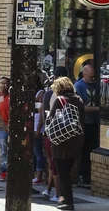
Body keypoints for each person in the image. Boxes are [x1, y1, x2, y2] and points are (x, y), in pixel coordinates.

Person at [49, 77, 85, 210]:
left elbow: (51, 119)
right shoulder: (79, 100)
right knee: (67, 171)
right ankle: (63, 198)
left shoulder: (60, 101)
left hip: (61, 142)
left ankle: (68, 202)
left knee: (63, 174)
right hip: (76, 141)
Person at [42, 67, 68, 203]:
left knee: (53, 164)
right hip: (58, 135)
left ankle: (51, 190)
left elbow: (44, 115)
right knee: (55, 165)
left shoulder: (52, 94)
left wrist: (42, 129)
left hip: (51, 133)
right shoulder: (59, 96)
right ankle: (56, 193)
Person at [74, 64, 99, 188]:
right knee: (85, 151)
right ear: (84, 74)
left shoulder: (96, 85)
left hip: (96, 123)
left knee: (93, 149)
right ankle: (83, 177)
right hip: (85, 123)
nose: (93, 78)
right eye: (90, 76)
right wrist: (98, 109)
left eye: (94, 76)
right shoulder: (78, 86)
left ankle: (89, 176)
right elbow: (81, 107)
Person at [0, 77, 10, 182]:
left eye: (5, 84)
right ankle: (4, 172)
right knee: (4, 151)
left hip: (9, 127)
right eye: (1, 83)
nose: (3, 85)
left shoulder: (10, 97)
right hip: (1, 128)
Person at [33, 82, 46, 185]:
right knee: (34, 152)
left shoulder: (40, 93)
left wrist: (38, 129)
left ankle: (39, 176)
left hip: (37, 127)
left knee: (38, 152)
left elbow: (41, 113)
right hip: (32, 126)